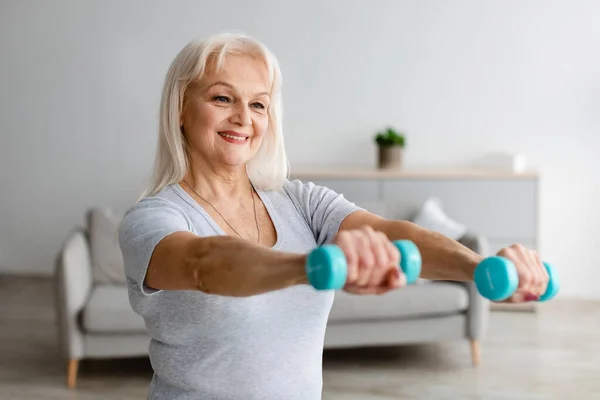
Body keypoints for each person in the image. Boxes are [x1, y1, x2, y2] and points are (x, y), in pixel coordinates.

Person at [118, 32, 549, 400]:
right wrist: (310, 267)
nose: (242, 118)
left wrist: (481, 269)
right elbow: (204, 264)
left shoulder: (299, 201)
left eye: (259, 104)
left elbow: (393, 233)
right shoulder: (153, 218)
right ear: (180, 107)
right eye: (222, 98)